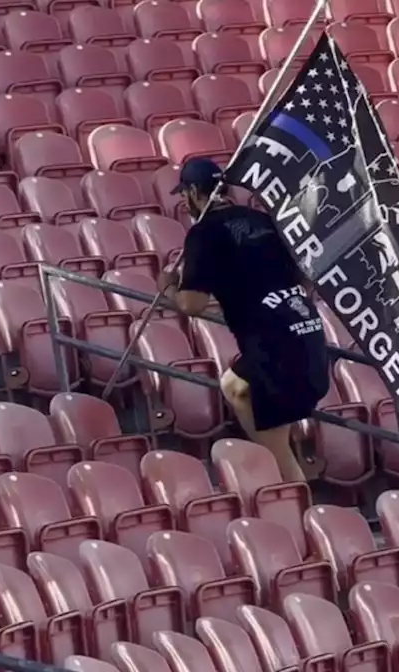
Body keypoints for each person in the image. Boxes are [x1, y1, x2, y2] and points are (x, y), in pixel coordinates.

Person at [158, 157, 330, 482]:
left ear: (194, 191)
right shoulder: (264, 220)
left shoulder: (203, 234)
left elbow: (192, 304)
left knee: (283, 466)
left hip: (273, 356)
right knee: (233, 386)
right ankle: (269, 453)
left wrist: (167, 288)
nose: (184, 200)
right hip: (309, 337)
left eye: (185, 193)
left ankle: (304, 524)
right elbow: (307, 278)